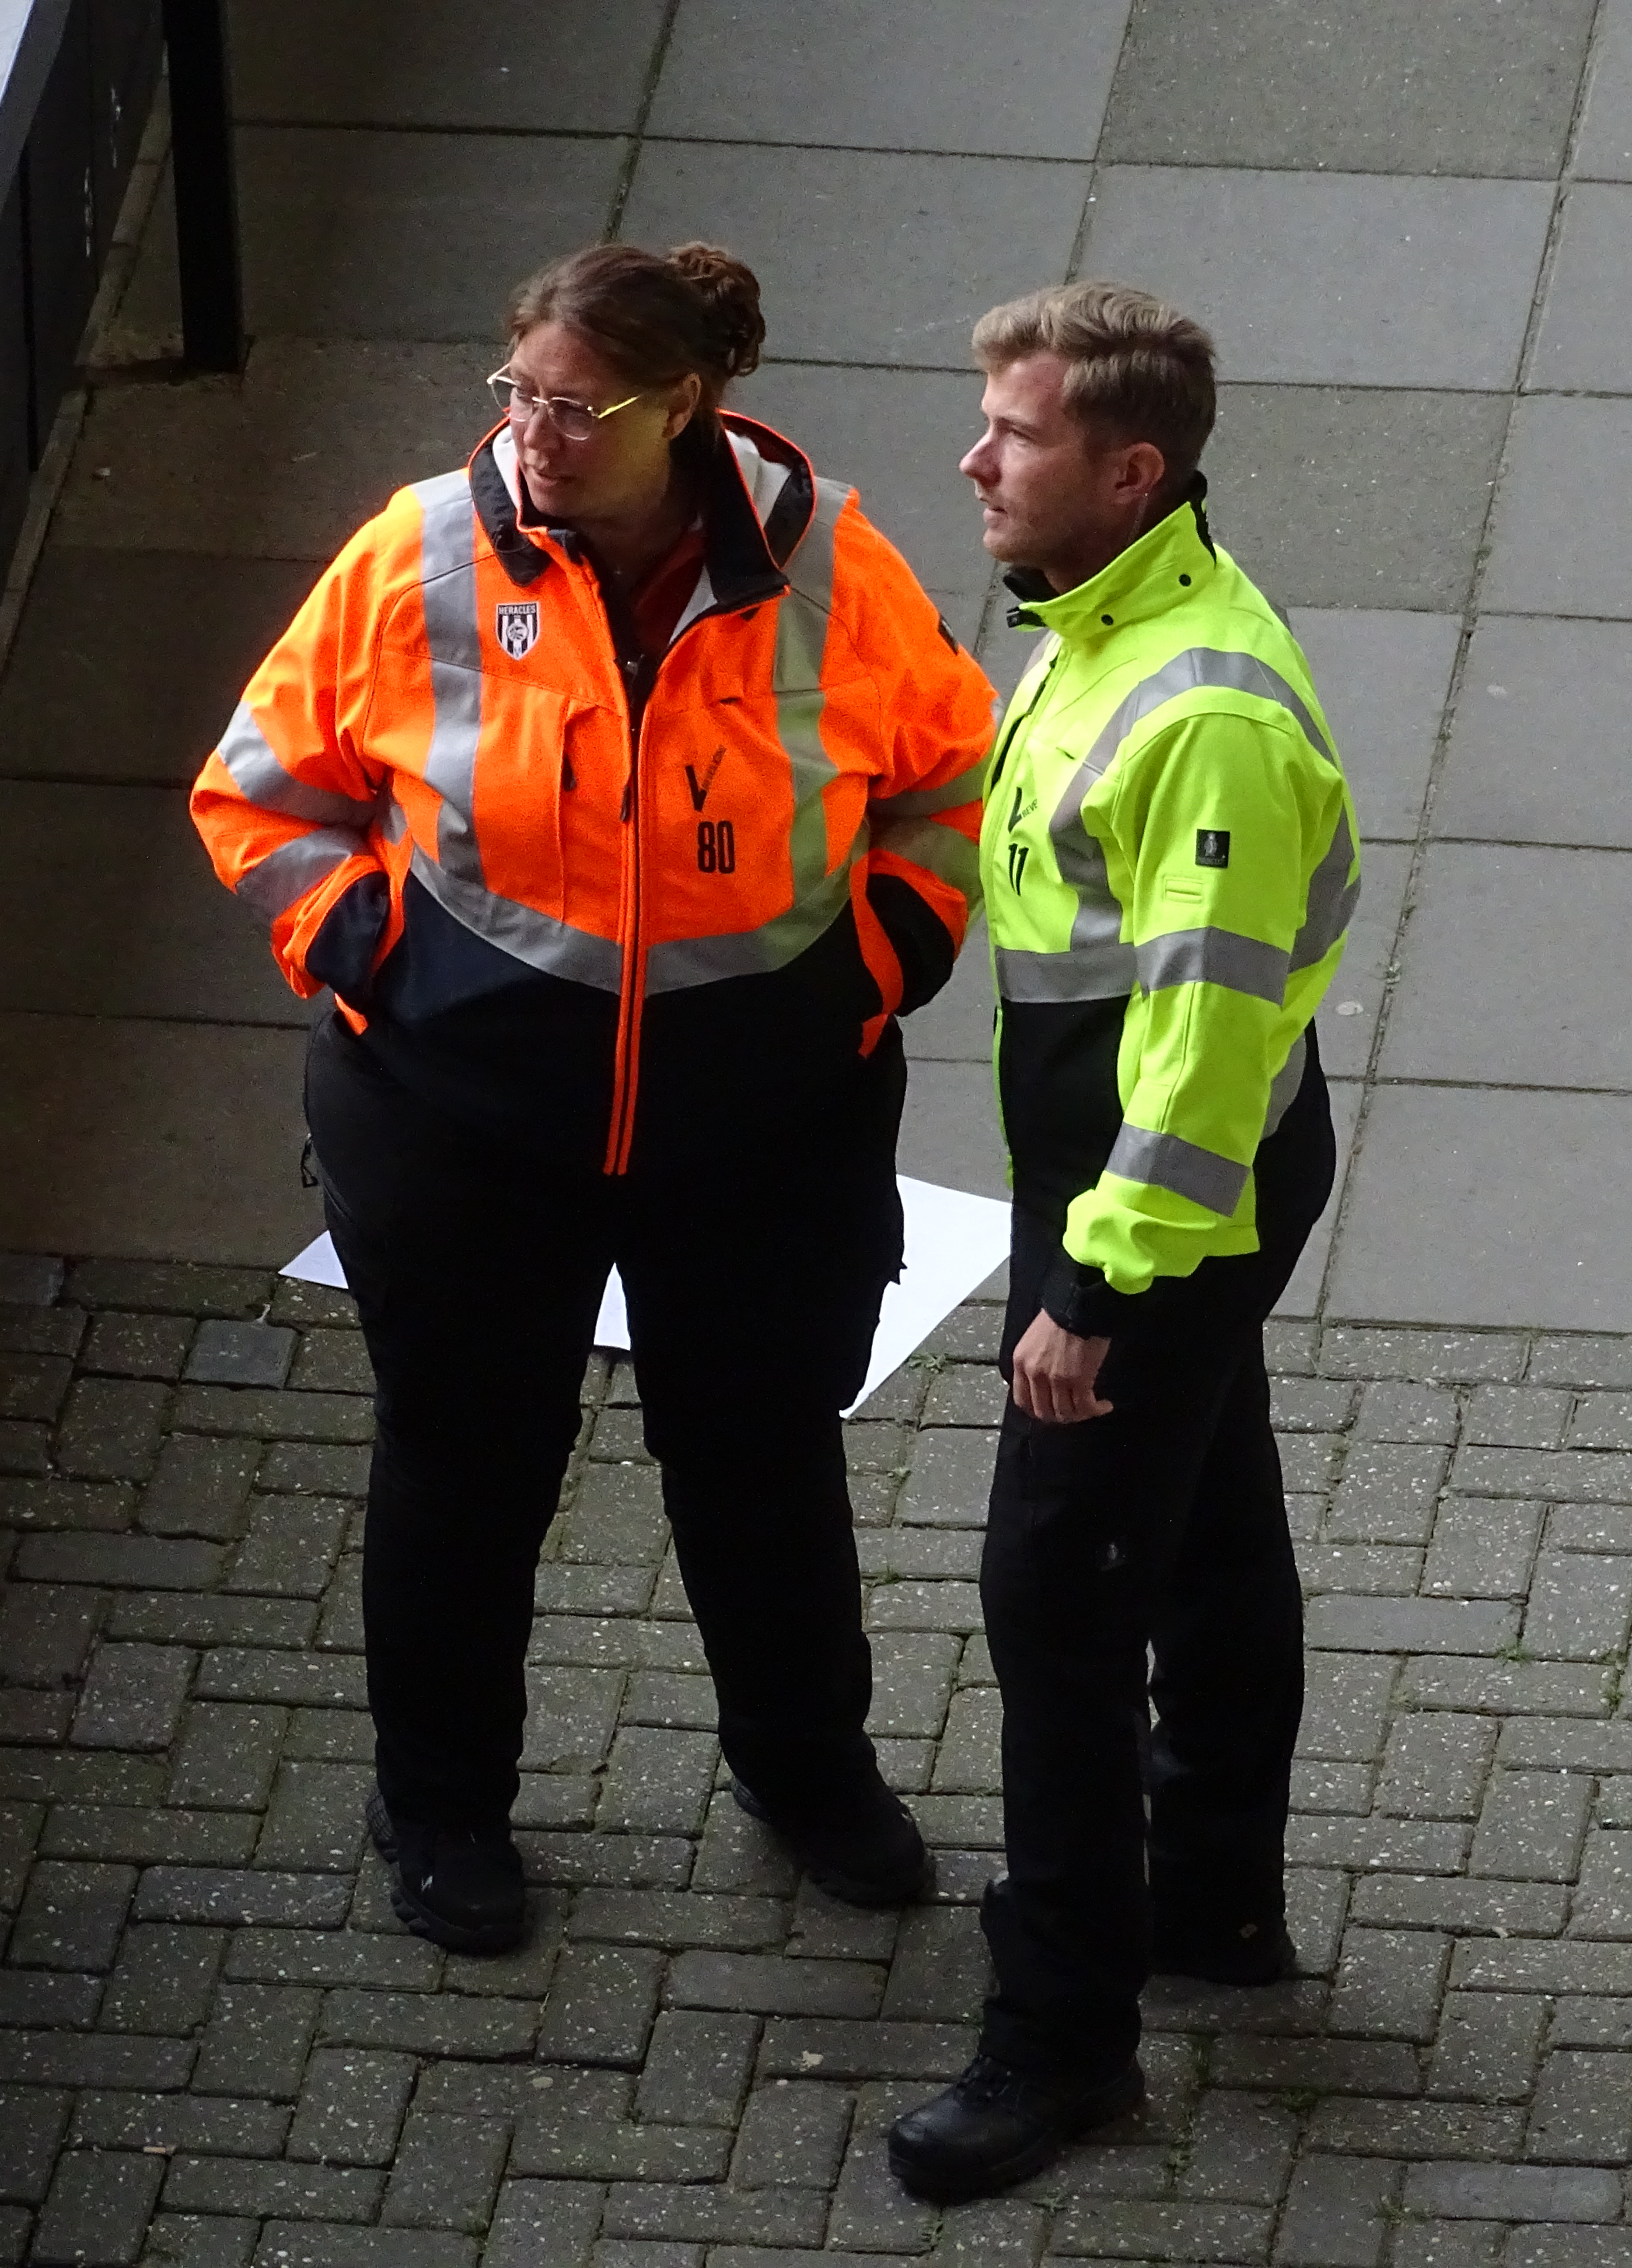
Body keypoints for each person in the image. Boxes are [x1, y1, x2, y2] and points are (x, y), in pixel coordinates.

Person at [189, 243, 995, 1956]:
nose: (534, 433)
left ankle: (807, 1773)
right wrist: (382, 959)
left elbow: (947, 783)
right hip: (458, 1127)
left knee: (764, 1461)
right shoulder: (415, 559)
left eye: (578, 406)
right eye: (520, 396)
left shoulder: (834, 570)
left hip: (764, 1133)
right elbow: (259, 795)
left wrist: (876, 966)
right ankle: (442, 1807)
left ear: (682, 407)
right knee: (462, 1470)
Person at [887, 282, 1354, 2202]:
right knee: (1209, 1524)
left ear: (1131, 469)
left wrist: (1093, 1291)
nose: (974, 462)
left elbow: (1200, 1039)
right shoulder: (1105, 620)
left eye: (1016, 436)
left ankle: (1064, 2037)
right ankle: (1216, 1900)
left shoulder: (1204, 713)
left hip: (1158, 1210)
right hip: (1169, 1189)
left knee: (1057, 1600)